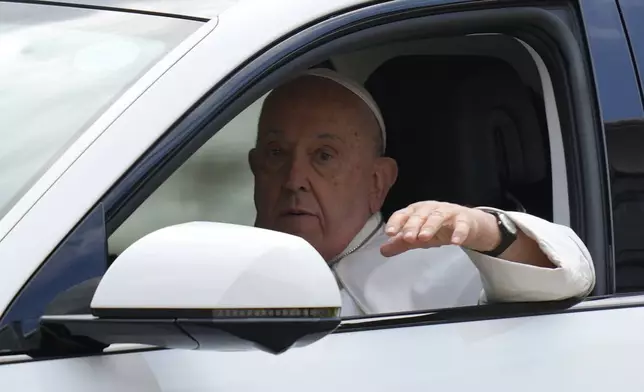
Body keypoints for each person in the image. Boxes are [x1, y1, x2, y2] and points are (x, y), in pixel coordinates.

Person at [249, 68, 596, 316]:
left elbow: (570, 277)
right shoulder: (219, 267)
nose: (294, 178)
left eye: (323, 156)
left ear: (377, 182)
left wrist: (481, 229)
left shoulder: (439, 267)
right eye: (276, 153)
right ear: (255, 167)